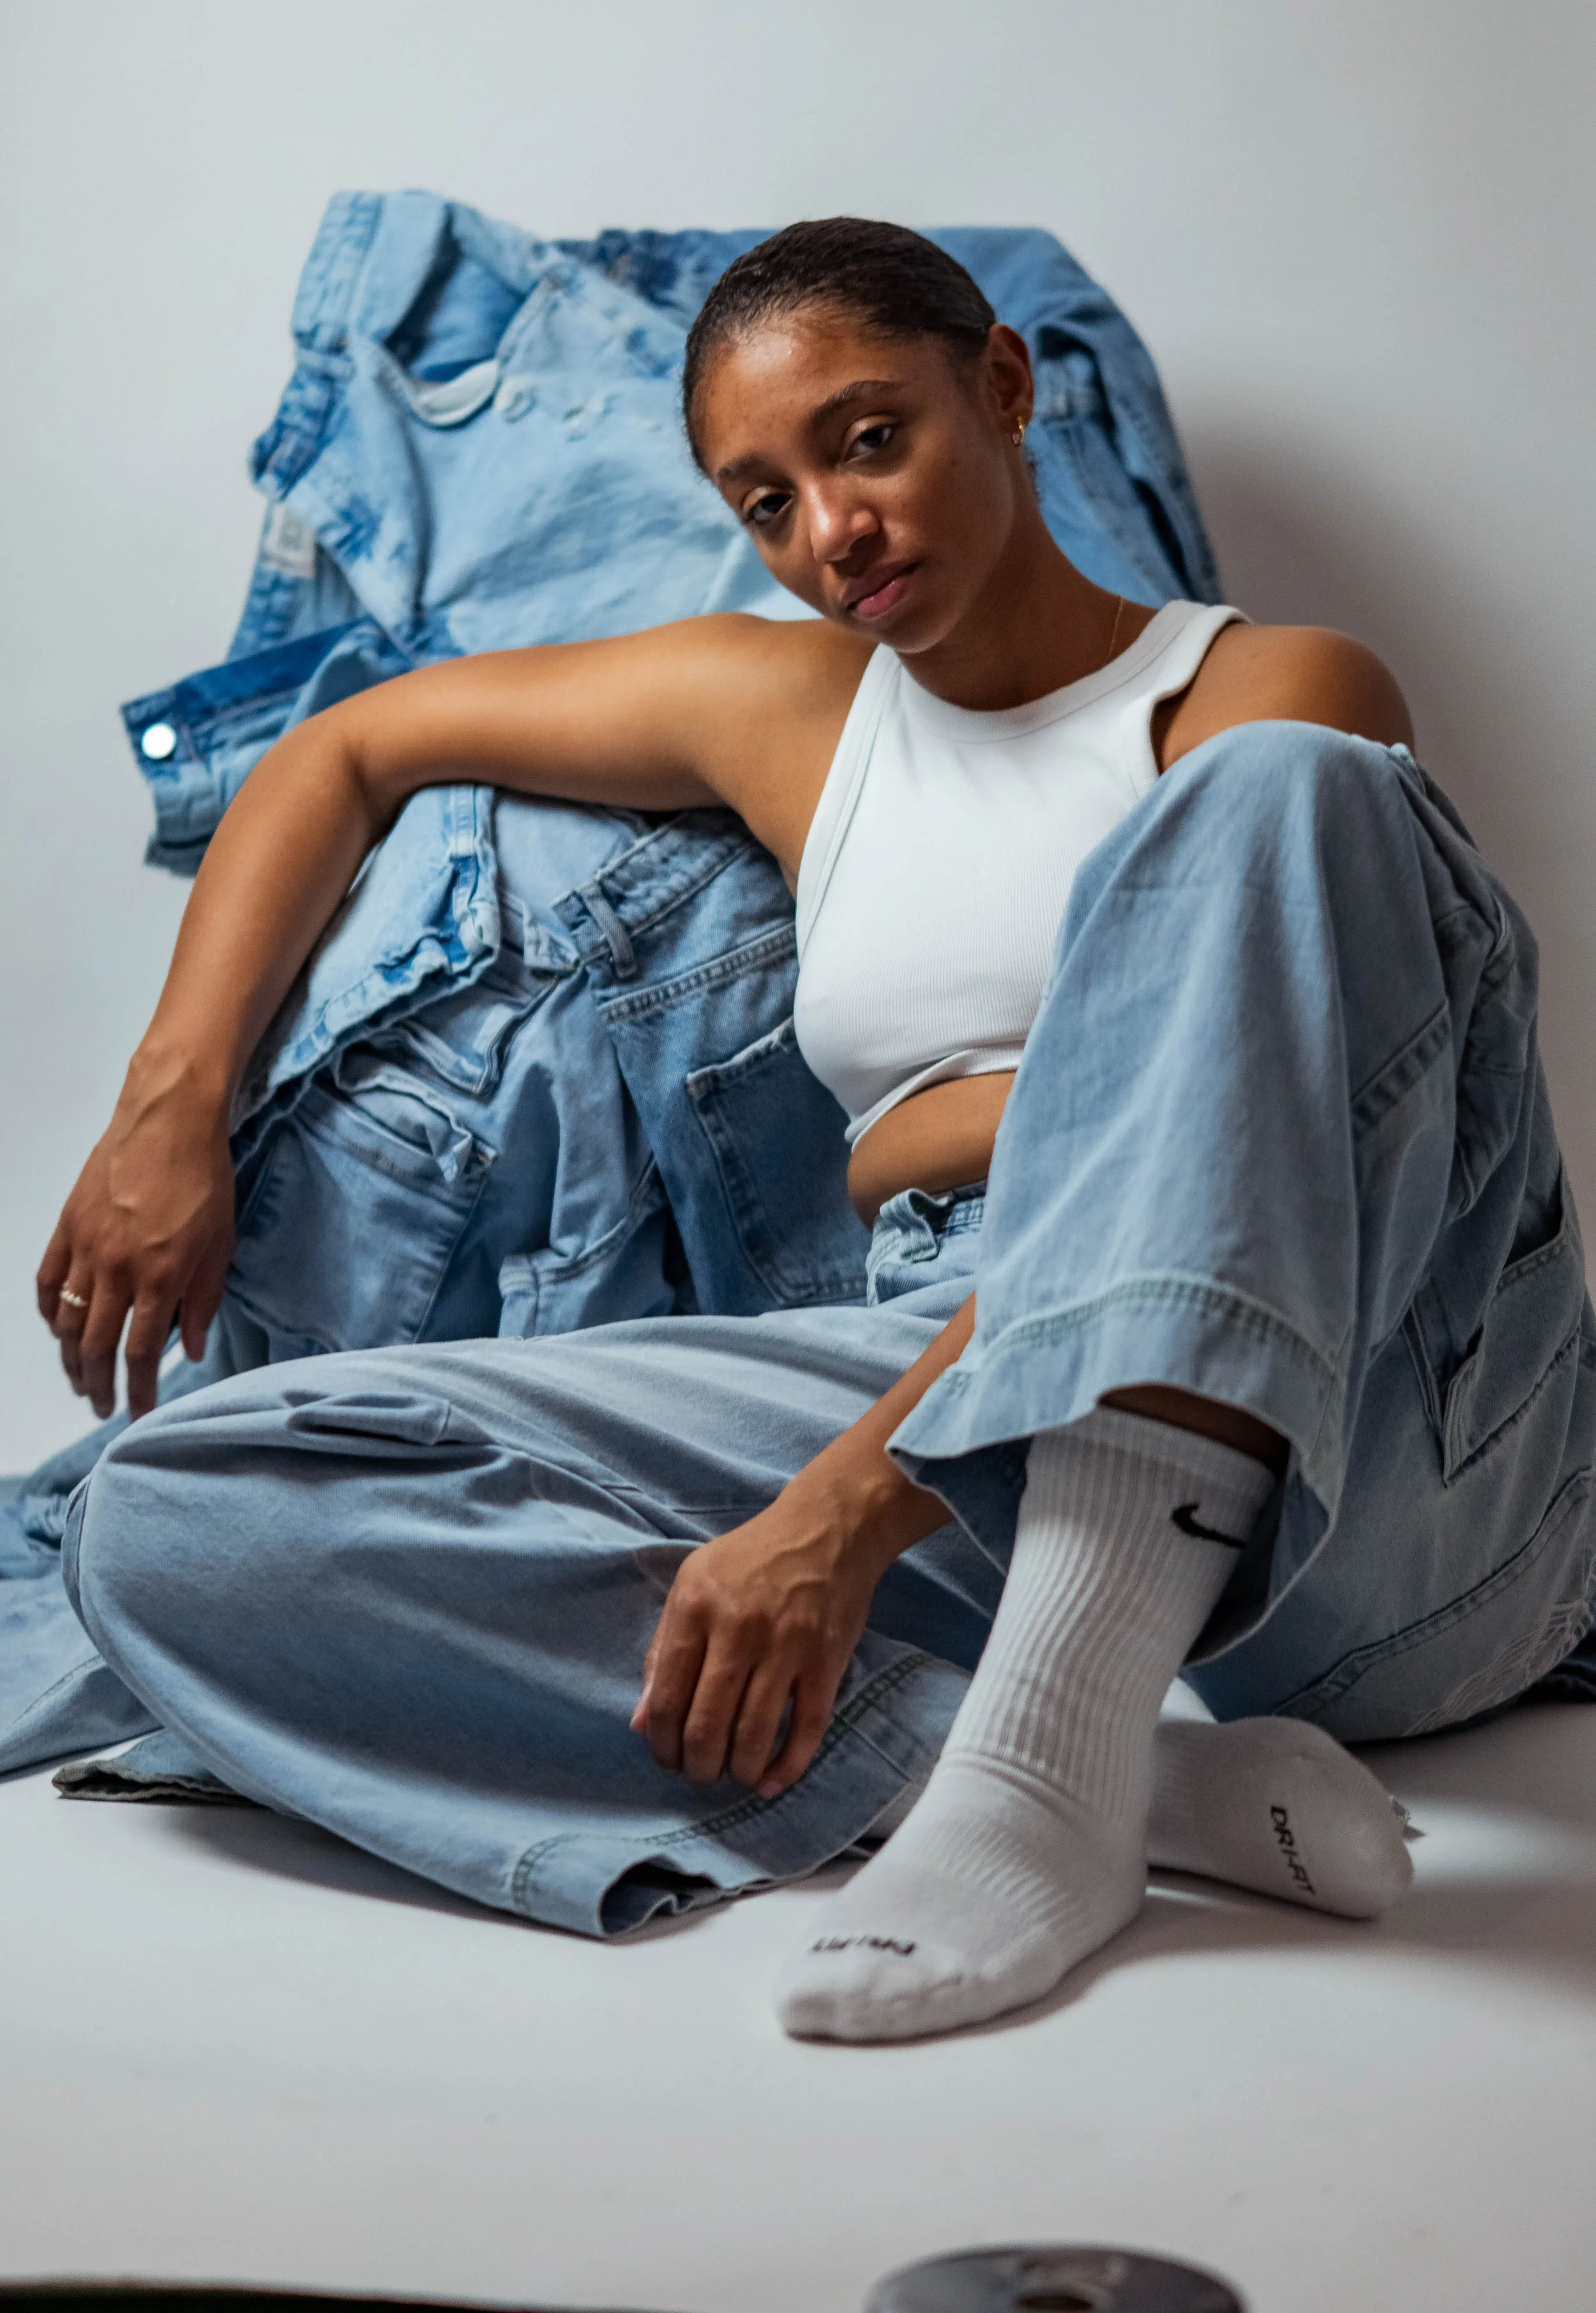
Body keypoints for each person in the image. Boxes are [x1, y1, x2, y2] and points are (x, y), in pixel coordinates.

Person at [44, 221, 1593, 2042]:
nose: (829, 532)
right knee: (169, 1517)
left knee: (1280, 813)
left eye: (868, 441)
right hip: (948, 1371)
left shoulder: (1265, 696)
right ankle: (1072, 1771)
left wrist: (852, 1504)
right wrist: (172, 1107)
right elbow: (351, 749)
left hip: (1372, 1468)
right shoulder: (789, 707)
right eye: (763, 498)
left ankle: (1044, 1762)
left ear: (1001, 390)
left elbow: (1230, 1148)